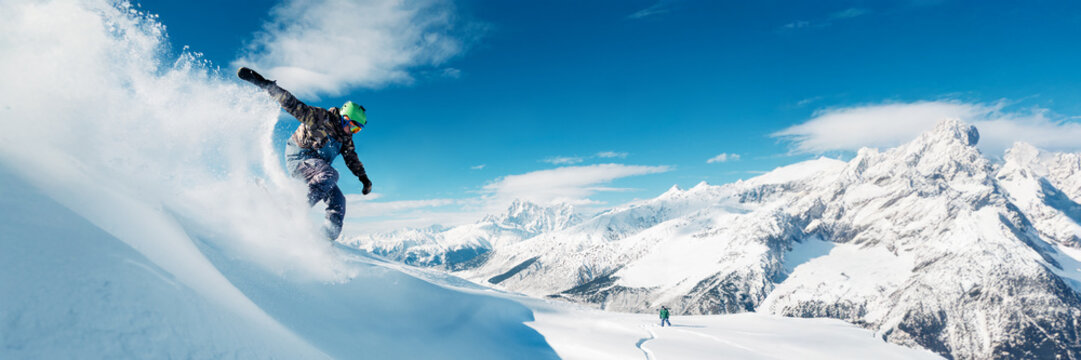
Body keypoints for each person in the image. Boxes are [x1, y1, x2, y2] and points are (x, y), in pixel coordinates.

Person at [237, 67, 373, 241]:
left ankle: (325, 239)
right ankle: (292, 210)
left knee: (339, 201)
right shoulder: (321, 118)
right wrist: (263, 83)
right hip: (300, 157)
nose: (353, 132)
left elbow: (352, 158)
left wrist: (364, 178)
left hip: (317, 170)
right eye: (353, 126)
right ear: (344, 117)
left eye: (358, 130)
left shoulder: (345, 138)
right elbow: (294, 105)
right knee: (330, 174)